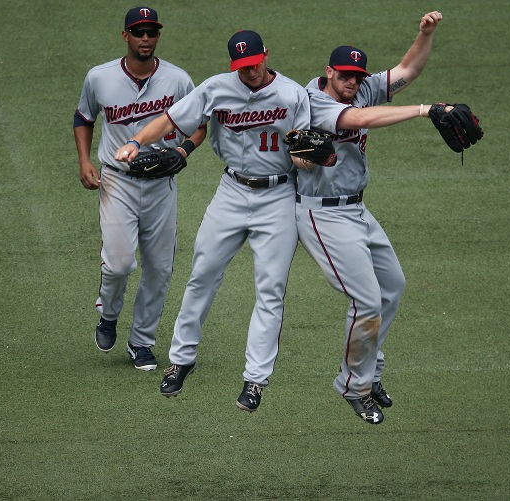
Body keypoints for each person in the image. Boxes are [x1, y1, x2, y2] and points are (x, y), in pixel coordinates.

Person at [114, 30, 311, 411]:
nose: (249, 72)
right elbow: (170, 120)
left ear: (266, 55)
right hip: (232, 190)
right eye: (241, 67)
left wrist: (308, 157)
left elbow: (303, 153)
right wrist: (137, 141)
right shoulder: (216, 88)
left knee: (270, 290)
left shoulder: (292, 95)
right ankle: (180, 361)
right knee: (202, 274)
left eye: (254, 64)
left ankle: (255, 380)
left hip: (279, 195)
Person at [294, 11, 444, 423]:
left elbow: (408, 69)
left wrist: (424, 34)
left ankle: (369, 370)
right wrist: (423, 110)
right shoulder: (313, 101)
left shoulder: (360, 90)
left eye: (358, 77)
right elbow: (357, 120)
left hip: (357, 209)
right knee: (366, 301)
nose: (354, 83)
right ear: (329, 72)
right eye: (345, 76)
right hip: (321, 216)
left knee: (392, 286)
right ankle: (352, 385)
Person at [74, 6, 206, 371]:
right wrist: (85, 161)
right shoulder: (99, 78)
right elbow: (83, 118)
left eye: (151, 32)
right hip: (118, 181)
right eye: (138, 32)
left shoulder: (178, 80)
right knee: (118, 265)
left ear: (158, 36)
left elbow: (199, 125)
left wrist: (184, 149)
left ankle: (141, 342)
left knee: (159, 269)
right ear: (126, 36)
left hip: (162, 185)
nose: (145, 38)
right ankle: (109, 314)